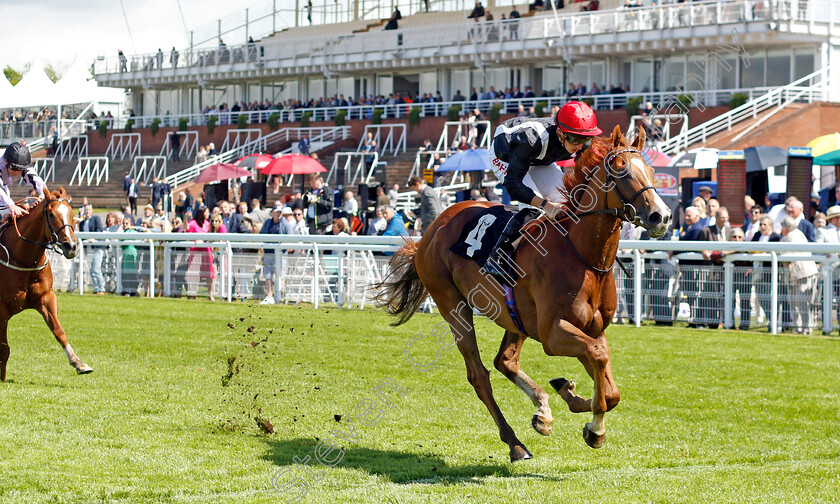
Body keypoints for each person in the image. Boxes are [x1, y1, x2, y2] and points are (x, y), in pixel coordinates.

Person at [484, 101, 602, 281]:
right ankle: (497, 256)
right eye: (575, 139)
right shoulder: (531, 138)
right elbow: (513, 185)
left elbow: (586, 179)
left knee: (568, 200)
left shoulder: (582, 141)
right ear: (561, 133)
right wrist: (546, 205)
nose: (580, 145)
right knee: (534, 209)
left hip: (539, 159)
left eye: (585, 139)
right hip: (507, 154)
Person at [780, 216, 818, 334]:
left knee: (802, 302)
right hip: (797, 273)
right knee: (796, 302)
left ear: (786, 227)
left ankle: (805, 328)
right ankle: (799, 327)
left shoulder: (794, 235)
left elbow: (789, 253)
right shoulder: (792, 235)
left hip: (801, 273)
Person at [0, 142, 46, 219]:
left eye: (21, 169)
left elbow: (35, 178)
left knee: (8, 213)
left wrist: (44, 193)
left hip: (3, 188)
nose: (17, 172)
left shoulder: (23, 163)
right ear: (5, 161)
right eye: (14, 168)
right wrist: (11, 204)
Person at [79, 204, 106, 295]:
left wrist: (93, 239)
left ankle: (102, 288)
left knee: (96, 268)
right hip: (88, 248)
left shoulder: (96, 219)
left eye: (89, 210)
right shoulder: (82, 223)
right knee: (91, 269)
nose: (87, 212)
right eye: (86, 210)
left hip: (97, 247)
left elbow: (99, 230)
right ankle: (96, 288)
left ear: (92, 210)